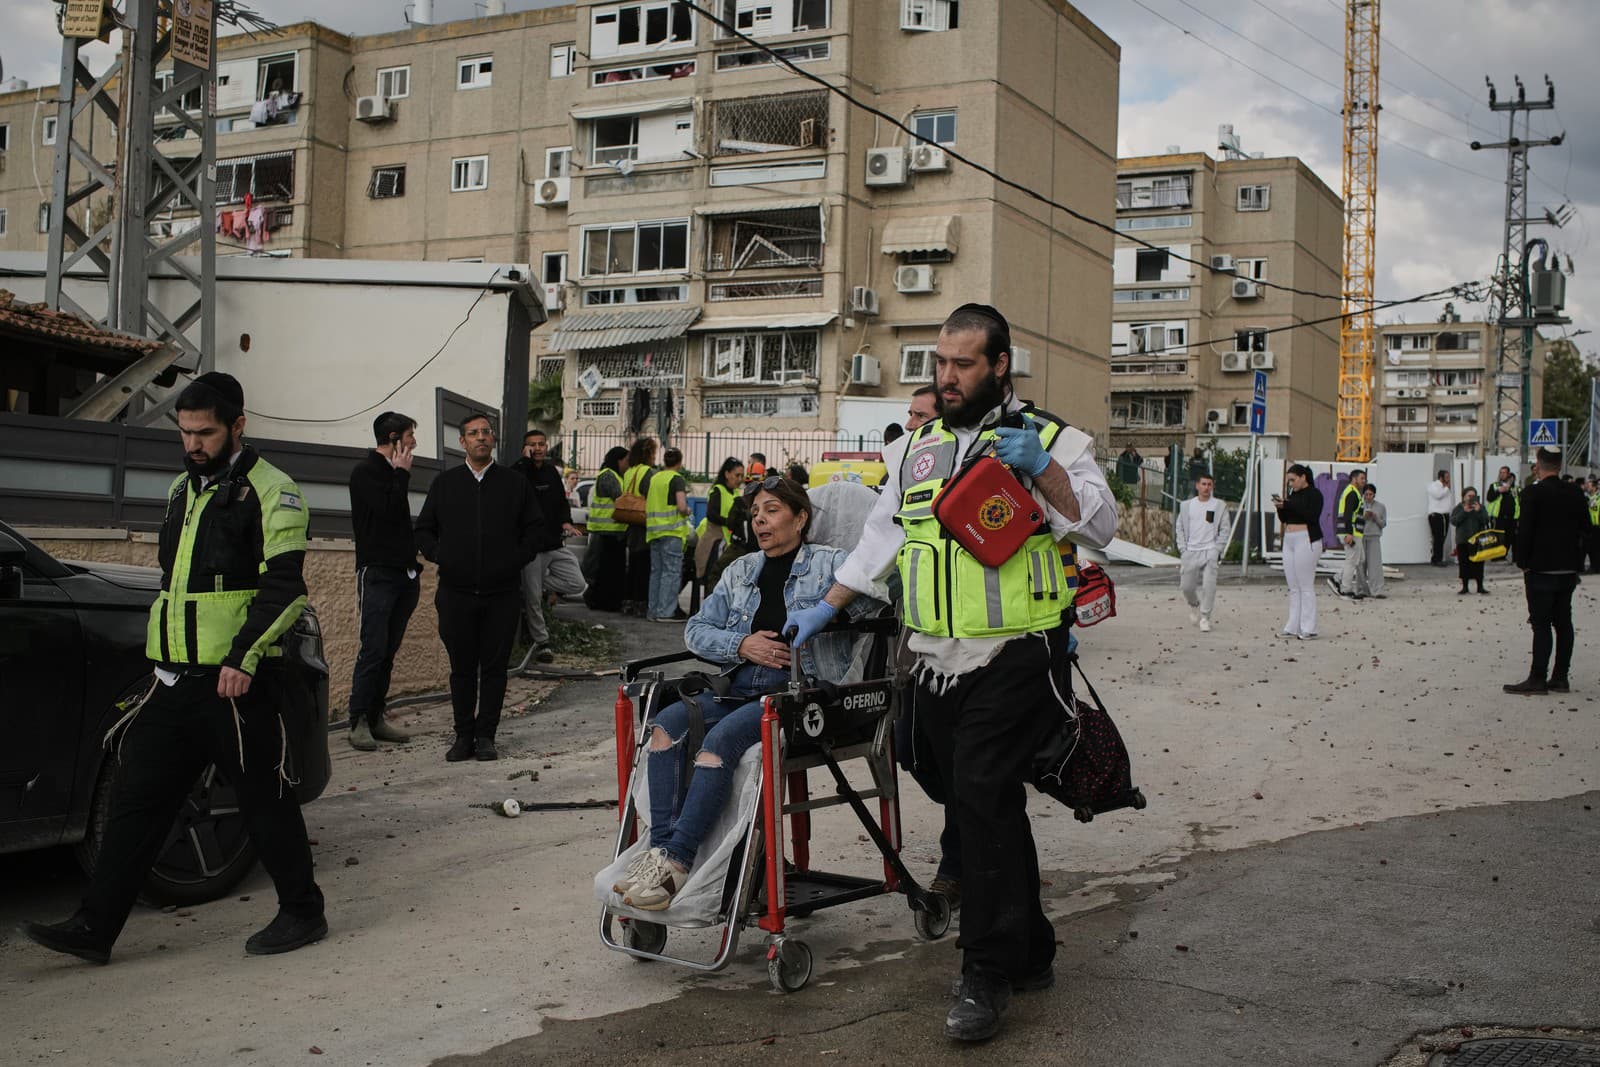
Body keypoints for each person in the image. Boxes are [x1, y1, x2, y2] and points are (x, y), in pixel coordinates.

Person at [783, 304, 1118, 1043]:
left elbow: (1100, 526)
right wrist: (826, 605)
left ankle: (985, 971)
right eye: (940, 362)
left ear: (1000, 365)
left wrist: (1043, 468)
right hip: (931, 659)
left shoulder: (1052, 439)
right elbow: (882, 536)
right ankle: (1031, 946)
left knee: (980, 794)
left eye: (964, 363)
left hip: (1014, 653)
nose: (948, 376)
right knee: (954, 784)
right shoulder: (917, 448)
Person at [21, 373, 326, 964]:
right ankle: (94, 928)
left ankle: (302, 912)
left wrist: (242, 658)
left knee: (264, 801)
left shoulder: (274, 491)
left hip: (236, 683)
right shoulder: (181, 492)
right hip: (173, 680)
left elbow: (285, 587)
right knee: (134, 802)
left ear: (238, 426)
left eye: (205, 433)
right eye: (184, 432)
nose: (192, 444)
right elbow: (177, 585)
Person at [613, 477, 878, 911]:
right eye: (756, 513)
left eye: (772, 510)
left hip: (799, 692)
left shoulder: (832, 563)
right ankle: (661, 856)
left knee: (722, 740)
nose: (760, 520)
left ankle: (677, 862)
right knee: (664, 726)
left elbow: (880, 594)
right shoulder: (741, 570)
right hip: (736, 688)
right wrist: (741, 644)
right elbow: (696, 629)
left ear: (801, 518)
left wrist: (827, 609)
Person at [415, 413, 541, 762]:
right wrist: (442, 555)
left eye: (486, 432)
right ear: (463, 442)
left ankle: (486, 736)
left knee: (495, 669)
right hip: (455, 594)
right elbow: (424, 530)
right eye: (473, 433)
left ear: (493, 439)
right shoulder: (446, 484)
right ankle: (462, 736)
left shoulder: (515, 484)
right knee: (462, 669)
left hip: (501, 594)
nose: (481, 437)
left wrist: (514, 559)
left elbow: (534, 531)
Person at [345, 410, 422, 751]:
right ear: (393, 440)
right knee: (373, 650)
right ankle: (358, 719)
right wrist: (401, 476)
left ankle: (376, 717)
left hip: (404, 574)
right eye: (409, 437)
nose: (414, 443)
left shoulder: (393, 474)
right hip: (377, 574)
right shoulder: (366, 472)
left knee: (388, 651)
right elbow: (387, 511)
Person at [1503, 448, 1588, 695]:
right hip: (1567, 570)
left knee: (1541, 624)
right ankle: (1561, 677)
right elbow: (1585, 528)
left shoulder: (1533, 493)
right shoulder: (1575, 492)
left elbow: (1525, 530)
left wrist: (1522, 562)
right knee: (1564, 622)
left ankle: (1537, 678)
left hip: (1540, 570)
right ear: (1560, 466)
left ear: (1538, 465)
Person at [513, 429, 586, 664]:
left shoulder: (552, 473)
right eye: (532, 445)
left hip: (554, 543)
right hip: (532, 547)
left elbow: (559, 502)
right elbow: (517, 495)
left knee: (577, 582)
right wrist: (524, 462)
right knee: (533, 599)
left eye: (541, 444)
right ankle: (542, 642)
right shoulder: (517, 471)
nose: (537, 449)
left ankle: (532, 584)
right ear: (525, 447)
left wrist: (566, 522)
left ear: (546, 447)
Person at [1273, 464, 1324, 640]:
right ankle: (1293, 626)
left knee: (1305, 584)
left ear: (1303, 477)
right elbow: (1287, 517)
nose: (1291, 484)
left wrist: (1288, 504)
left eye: (1293, 480)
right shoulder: (1293, 496)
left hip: (1307, 538)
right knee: (1293, 586)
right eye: (1289, 481)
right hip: (1290, 539)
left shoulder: (1314, 494)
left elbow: (1310, 515)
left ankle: (1309, 627)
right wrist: (1281, 508)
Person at [1176, 472, 1228, 631]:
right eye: (1203, 484)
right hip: (1190, 552)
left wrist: (1216, 550)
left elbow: (1225, 529)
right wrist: (1183, 549)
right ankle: (1194, 605)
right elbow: (1180, 528)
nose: (1206, 488)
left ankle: (1205, 617)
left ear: (1212, 486)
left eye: (1209, 484)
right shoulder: (1186, 506)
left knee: (1209, 586)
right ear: (1197, 485)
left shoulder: (1219, 505)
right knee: (1187, 587)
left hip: (1210, 552)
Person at [644, 446, 691, 622]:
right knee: (671, 572)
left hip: (654, 531)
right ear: (679, 462)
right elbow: (681, 506)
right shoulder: (677, 479)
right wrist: (687, 510)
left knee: (656, 572)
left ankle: (653, 611)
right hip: (672, 531)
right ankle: (666, 612)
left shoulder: (655, 478)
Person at [583, 447, 630, 612]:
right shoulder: (608, 475)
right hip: (606, 531)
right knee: (605, 570)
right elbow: (619, 498)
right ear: (618, 460)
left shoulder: (615, 475)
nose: (628, 464)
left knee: (609, 570)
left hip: (612, 530)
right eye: (626, 460)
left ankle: (603, 599)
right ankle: (600, 600)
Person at [620, 437, 658, 616]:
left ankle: (628, 601)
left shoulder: (629, 471)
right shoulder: (646, 472)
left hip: (630, 522)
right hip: (643, 522)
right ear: (648, 453)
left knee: (633, 565)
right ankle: (641, 603)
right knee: (643, 566)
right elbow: (649, 494)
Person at [694, 457, 744, 592]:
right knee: (713, 579)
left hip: (728, 541)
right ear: (727, 474)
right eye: (737, 475)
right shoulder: (718, 490)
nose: (740, 479)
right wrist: (730, 522)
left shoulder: (736, 493)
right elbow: (712, 514)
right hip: (714, 542)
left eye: (742, 475)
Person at [1328, 469, 1369, 600]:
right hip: (1350, 532)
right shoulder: (1351, 493)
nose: (1364, 481)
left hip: (1355, 532)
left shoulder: (1354, 492)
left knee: (1360, 559)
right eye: (1362, 478)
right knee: (1352, 561)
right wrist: (1349, 534)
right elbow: (1347, 515)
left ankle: (1337, 578)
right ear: (1354, 479)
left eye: (1364, 479)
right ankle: (1345, 589)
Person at [1450, 487, 1489, 595]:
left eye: (1473, 496)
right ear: (1464, 497)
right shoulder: (1459, 507)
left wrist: (1479, 511)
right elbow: (1454, 521)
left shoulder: (1480, 507)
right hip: (1463, 540)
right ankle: (1465, 587)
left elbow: (1486, 520)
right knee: (1464, 564)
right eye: (1469, 496)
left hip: (1477, 541)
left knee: (1479, 564)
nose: (1471, 498)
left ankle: (1480, 586)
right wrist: (1465, 512)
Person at [1486, 466, 1520, 564]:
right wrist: (1498, 491)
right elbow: (1489, 498)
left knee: (1509, 537)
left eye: (1504, 472)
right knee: (1498, 536)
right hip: (1498, 516)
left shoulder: (1515, 488)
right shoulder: (1495, 485)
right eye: (1500, 472)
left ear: (1509, 474)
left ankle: (1504, 556)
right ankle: (1496, 557)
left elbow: (1518, 501)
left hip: (1512, 518)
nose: (1502, 474)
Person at [1362, 483, 1387, 598]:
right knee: (1361, 564)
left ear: (1374, 494)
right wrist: (1364, 517)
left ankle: (1377, 590)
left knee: (1375, 565)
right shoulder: (1360, 505)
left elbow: (1383, 524)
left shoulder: (1381, 507)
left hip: (1374, 536)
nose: (1368, 497)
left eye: (1370, 494)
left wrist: (1375, 517)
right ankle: (1361, 590)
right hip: (1361, 536)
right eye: (1366, 494)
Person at [1426, 469, 1453, 566]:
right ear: (1441, 478)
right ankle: (1437, 559)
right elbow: (1438, 495)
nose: (1448, 479)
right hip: (1437, 515)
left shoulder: (1444, 487)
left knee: (1442, 537)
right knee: (1438, 537)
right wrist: (1446, 488)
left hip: (1444, 515)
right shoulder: (1434, 486)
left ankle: (1438, 557)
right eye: (1446, 477)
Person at [1583, 476, 1600, 575]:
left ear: (1594, 487)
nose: (1587, 487)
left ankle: (1595, 567)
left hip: (1597, 525)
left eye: (1589, 485)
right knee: (1591, 548)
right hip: (1590, 526)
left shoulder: (1597, 497)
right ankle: (1594, 566)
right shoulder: (1587, 498)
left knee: (1595, 549)